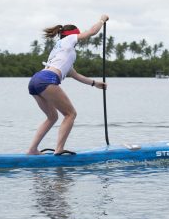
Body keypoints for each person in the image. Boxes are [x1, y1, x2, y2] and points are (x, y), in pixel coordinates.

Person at [27, 14, 109, 155]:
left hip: (35, 80)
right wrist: (102, 20)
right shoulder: (69, 39)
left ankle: (32, 150)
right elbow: (92, 32)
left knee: (52, 117)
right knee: (70, 114)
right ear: (73, 34)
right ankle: (59, 149)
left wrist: (95, 83)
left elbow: (75, 75)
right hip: (47, 79)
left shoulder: (61, 50)